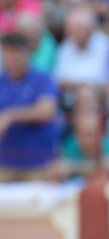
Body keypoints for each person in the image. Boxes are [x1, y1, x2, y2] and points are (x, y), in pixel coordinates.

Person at [0, 32, 59, 181]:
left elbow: (46, 111)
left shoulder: (42, 79)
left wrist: (11, 115)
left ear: (27, 54)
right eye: (7, 54)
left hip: (38, 163)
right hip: (5, 163)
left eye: (16, 54)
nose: (11, 60)